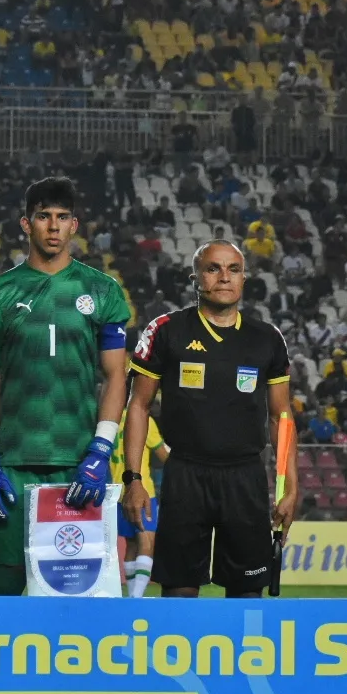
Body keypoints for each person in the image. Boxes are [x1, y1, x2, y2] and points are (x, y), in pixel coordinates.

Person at [0, 176, 132, 596]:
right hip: (12, 463)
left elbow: (117, 375)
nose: (54, 226)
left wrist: (101, 451)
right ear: (27, 224)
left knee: (79, 592)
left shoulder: (103, 290)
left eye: (62, 217)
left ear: (75, 225)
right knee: (6, 587)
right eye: (44, 216)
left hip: (79, 465)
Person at [122, 239, 297, 597]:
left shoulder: (267, 338)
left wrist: (289, 487)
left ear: (244, 279)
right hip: (185, 474)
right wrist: (133, 478)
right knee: (179, 589)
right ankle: (175, 654)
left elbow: (282, 416)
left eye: (233, 269)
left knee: (248, 592)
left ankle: (243, 655)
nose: (224, 277)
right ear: (195, 278)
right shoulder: (166, 330)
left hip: (245, 476)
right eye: (213, 268)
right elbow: (137, 407)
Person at [112, 401, 169, 598]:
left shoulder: (113, 421)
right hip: (141, 491)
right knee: (147, 542)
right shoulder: (142, 420)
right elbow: (163, 454)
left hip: (118, 493)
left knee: (131, 545)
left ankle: (132, 596)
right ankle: (137, 598)